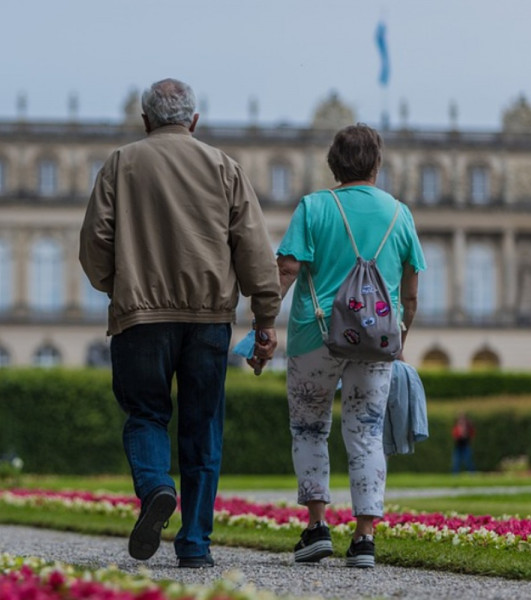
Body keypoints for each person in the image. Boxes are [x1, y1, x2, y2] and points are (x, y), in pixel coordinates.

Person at [79, 78, 281, 569]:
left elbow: (94, 244)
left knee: (146, 414)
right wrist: (266, 318)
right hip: (208, 318)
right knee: (202, 426)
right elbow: (254, 249)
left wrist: (119, 286)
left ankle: (154, 488)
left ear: (145, 120)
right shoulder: (223, 166)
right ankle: (194, 543)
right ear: (194, 120)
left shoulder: (121, 164)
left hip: (140, 318)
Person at [273, 124, 425, 569]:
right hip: (377, 342)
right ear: (377, 164)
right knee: (366, 433)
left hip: (314, 337)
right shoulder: (400, 214)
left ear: (333, 165)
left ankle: (317, 528)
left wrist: (263, 323)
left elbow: (285, 270)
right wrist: (398, 341)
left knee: (308, 429)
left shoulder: (314, 207)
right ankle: (363, 539)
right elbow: (412, 295)